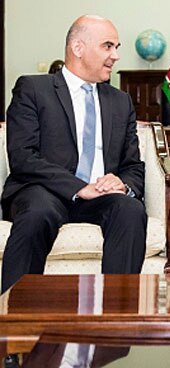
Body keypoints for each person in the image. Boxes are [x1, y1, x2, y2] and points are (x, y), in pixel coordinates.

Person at [1, 15, 146, 293]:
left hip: (99, 198)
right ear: (78, 48)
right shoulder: (33, 89)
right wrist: (80, 188)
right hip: (43, 191)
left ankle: (115, 317)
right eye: (107, 46)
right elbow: (23, 157)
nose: (115, 55)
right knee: (38, 213)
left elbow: (133, 166)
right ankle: (13, 318)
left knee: (130, 210)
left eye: (117, 47)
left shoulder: (120, 101)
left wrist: (122, 183)